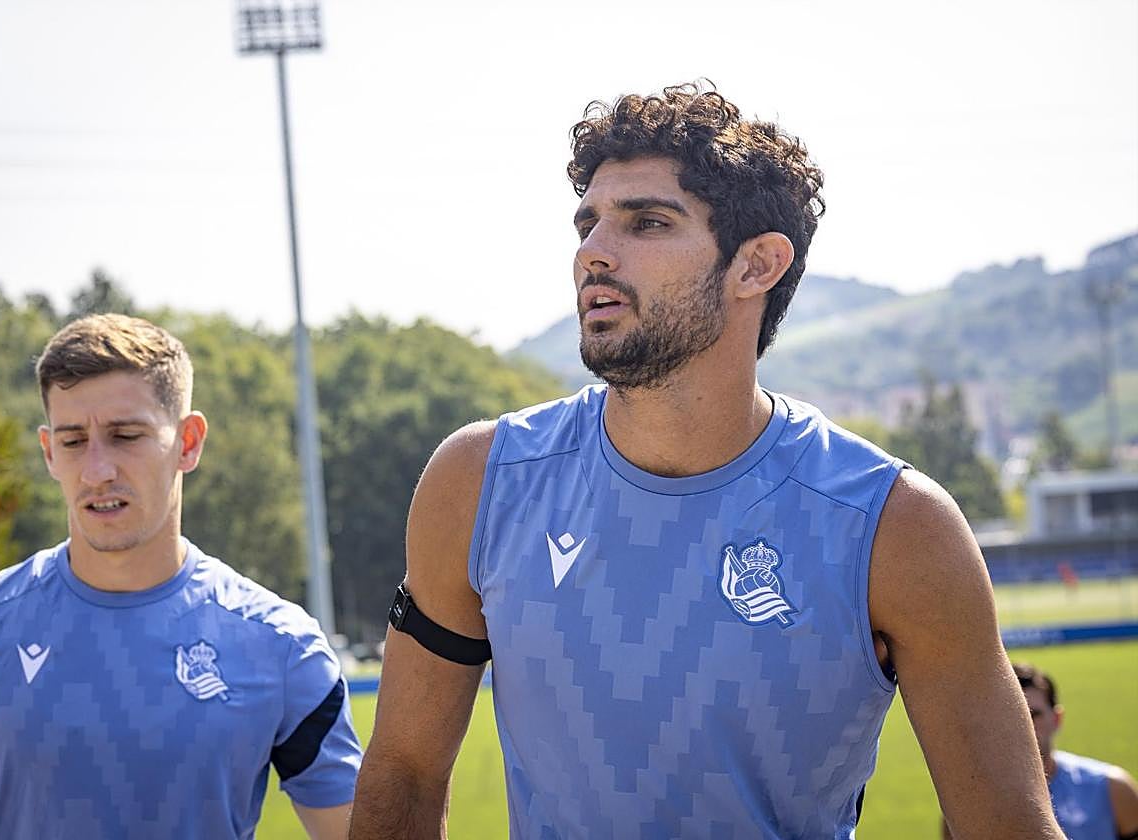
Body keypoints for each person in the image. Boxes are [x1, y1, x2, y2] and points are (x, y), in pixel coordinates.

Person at [348, 82, 1061, 839]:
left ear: (756, 266)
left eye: (647, 222)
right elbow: (405, 775)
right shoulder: (479, 481)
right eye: (587, 224)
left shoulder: (895, 525)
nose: (593, 250)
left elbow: (1008, 825)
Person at [0, 314, 362, 839]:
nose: (97, 471)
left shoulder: (281, 646)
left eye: (125, 436)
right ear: (48, 452)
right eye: (73, 442)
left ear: (188, 441)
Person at [945, 662, 1138, 840]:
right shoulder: (967, 805)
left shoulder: (1113, 789)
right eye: (1011, 716)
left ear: (1056, 719)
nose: (1024, 726)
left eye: (1034, 714)